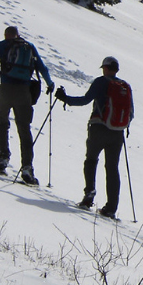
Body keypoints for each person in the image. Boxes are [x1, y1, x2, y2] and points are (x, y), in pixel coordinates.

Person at [0, 25, 55, 185]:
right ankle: (27, 168)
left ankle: (3, 158)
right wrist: (50, 84)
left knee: (2, 122)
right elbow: (42, 68)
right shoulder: (29, 47)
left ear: (5, 35)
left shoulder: (2, 46)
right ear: (18, 35)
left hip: (6, 89)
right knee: (24, 129)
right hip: (24, 92)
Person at [56, 56, 130, 218]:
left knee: (91, 160)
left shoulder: (101, 82)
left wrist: (66, 99)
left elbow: (85, 100)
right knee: (112, 169)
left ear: (105, 68)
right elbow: (130, 114)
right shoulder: (125, 86)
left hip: (98, 128)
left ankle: (89, 194)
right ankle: (111, 208)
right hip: (117, 134)